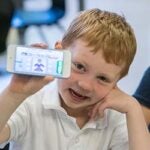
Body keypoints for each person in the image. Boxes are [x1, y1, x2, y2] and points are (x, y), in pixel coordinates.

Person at [0, 8, 149, 150]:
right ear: (59, 51)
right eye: (79, 66)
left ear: (117, 82)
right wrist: (14, 94)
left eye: (102, 78)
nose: (85, 85)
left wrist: (133, 108)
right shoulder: (30, 101)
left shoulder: (114, 116)